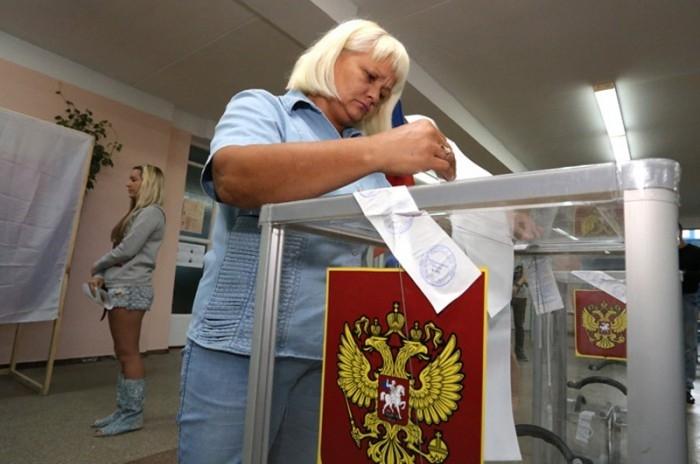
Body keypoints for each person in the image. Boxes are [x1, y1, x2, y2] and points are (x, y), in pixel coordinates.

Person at [177, 19, 455, 463]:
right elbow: (234, 177)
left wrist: (470, 212)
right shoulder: (265, 109)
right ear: (331, 56)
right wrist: (379, 150)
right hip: (241, 347)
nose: (374, 95)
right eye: (369, 76)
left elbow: (410, 247)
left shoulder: (368, 164)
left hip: (328, 354)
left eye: (385, 91)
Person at [87, 164, 166, 436]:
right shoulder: (138, 214)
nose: (128, 183)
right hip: (122, 288)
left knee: (129, 353)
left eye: (134, 179)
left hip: (131, 290)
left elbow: (127, 250)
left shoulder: (152, 213)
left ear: (148, 183)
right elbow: (121, 254)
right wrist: (103, 275)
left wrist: (97, 266)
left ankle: (132, 415)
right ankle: (124, 410)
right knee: (122, 353)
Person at [679, 223, 700, 404]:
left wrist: (683, 274)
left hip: (687, 299)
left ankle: (686, 387)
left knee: (688, 345)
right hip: (662, 300)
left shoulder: (694, 252)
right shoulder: (662, 254)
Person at [511, 264, 528, 361]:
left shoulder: (525, 259)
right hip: (505, 294)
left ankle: (519, 351)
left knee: (519, 325)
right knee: (502, 323)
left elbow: (527, 278)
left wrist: (517, 285)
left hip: (521, 297)